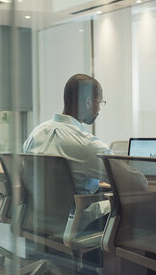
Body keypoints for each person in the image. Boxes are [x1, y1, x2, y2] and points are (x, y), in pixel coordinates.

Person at [23, 73, 112, 230]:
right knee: (124, 207)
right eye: (100, 102)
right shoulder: (85, 143)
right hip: (73, 223)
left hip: (38, 219)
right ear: (88, 103)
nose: (99, 108)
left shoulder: (35, 134)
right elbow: (129, 180)